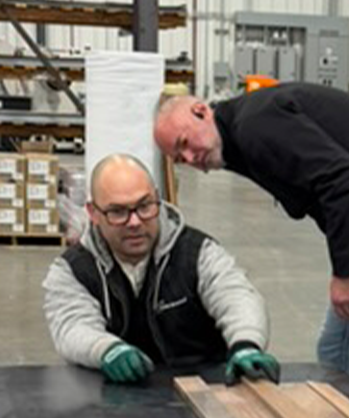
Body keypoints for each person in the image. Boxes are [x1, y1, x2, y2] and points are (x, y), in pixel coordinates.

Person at [153, 83, 349, 418]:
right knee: (336, 356)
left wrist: (346, 274)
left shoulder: (255, 126)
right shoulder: (239, 136)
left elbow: (342, 177)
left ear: (200, 111)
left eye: (185, 144)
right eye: (180, 159)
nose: (192, 159)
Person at [43, 153, 279, 386]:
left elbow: (236, 296)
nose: (134, 222)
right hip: (114, 398)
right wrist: (106, 349)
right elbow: (71, 325)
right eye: (118, 212)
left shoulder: (197, 253)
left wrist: (246, 344)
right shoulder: (72, 270)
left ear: (158, 198)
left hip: (204, 391)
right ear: (93, 213)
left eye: (144, 206)